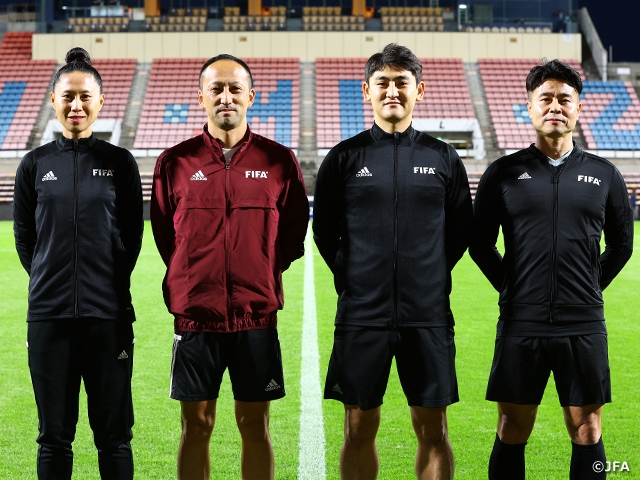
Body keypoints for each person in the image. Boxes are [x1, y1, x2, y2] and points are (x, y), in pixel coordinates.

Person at [313, 43, 472, 480]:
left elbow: (460, 232)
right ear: (367, 90)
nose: (392, 91)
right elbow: (325, 233)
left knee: (434, 430)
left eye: (402, 82)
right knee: (359, 427)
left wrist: (428, 275)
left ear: (419, 90)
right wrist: (354, 277)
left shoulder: (443, 157)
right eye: (382, 82)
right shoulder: (344, 158)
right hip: (363, 315)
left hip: (427, 316)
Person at [469, 59, 634, 480]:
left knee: (587, 428)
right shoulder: (502, 173)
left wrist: (588, 288)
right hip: (521, 322)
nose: (555, 106)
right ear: (530, 107)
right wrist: (511, 285)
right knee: (512, 427)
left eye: (565, 98)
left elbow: (621, 245)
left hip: (582, 324)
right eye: (546, 98)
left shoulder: (605, 175)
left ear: (578, 108)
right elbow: (479, 243)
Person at [150, 54, 308, 480]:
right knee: (196, 426)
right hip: (195, 317)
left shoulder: (279, 161)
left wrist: (260, 269)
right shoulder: (174, 162)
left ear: (251, 97)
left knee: (255, 425)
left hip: (256, 317)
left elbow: (294, 235)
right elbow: (168, 237)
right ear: (200, 96)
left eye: (235, 89)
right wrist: (193, 274)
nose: (225, 97)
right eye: (216, 89)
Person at [13, 47, 143, 480]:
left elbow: (131, 238)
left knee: (114, 436)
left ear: (100, 102)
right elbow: (25, 241)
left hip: (107, 319)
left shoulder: (119, 163)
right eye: (68, 96)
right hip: (49, 319)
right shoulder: (33, 165)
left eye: (85, 97)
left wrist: (101, 286)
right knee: (53, 437)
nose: (76, 105)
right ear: (53, 100)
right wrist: (52, 281)